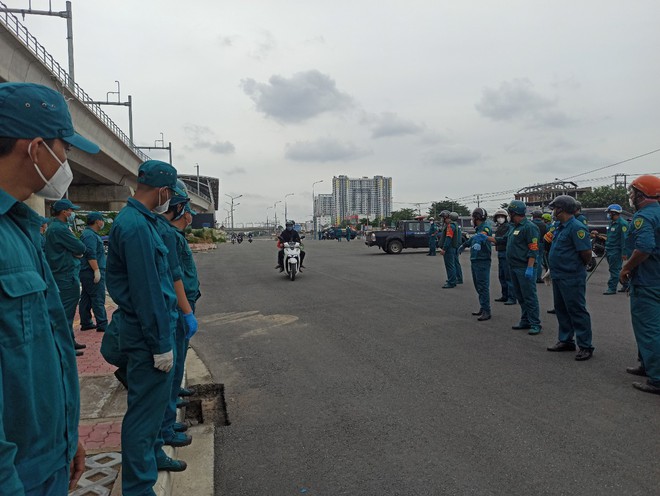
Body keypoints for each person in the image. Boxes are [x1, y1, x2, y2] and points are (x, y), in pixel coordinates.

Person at [0, 81, 99, 494]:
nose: (65, 162)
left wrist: (66, 433)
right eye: (66, 149)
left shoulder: (21, 229)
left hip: (46, 459)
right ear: (36, 147)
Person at [103, 160, 185, 495]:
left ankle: (152, 457)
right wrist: (161, 343)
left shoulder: (141, 220)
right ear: (164, 191)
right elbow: (148, 291)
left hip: (146, 329)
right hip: (145, 333)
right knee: (142, 416)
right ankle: (138, 488)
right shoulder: (136, 226)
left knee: (150, 413)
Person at [618, 175, 660, 394]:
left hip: (647, 281)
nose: (631, 197)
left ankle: (657, 379)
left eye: (633, 193)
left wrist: (626, 268)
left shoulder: (643, 217)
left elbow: (644, 247)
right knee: (652, 328)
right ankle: (646, 365)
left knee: (648, 329)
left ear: (642, 195)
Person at [545, 195, 594, 361]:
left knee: (576, 310)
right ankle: (566, 340)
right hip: (559, 275)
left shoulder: (577, 227)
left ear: (562, 209)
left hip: (571, 275)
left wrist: (577, 266)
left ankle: (586, 346)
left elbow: (586, 253)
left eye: (554, 208)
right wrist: (552, 268)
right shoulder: (560, 227)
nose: (553, 212)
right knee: (561, 309)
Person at [45, 197, 87, 355]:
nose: (72, 213)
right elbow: (80, 246)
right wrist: (76, 251)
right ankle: (65, 347)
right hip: (65, 276)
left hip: (64, 274)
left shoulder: (55, 227)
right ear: (64, 212)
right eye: (71, 210)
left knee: (66, 313)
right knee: (65, 314)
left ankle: (69, 341)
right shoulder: (60, 229)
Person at [503, 200, 542, 335]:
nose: (508, 215)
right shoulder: (514, 227)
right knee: (520, 296)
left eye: (509, 213)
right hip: (513, 266)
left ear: (514, 213)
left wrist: (530, 267)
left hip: (524, 267)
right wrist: (486, 238)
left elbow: (533, 248)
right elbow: (504, 240)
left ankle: (535, 323)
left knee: (529, 296)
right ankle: (525, 320)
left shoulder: (529, 227)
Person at [460, 208, 492, 320]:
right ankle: (483, 307)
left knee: (483, 286)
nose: (472, 220)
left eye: (473, 218)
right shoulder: (478, 228)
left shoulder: (485, 227)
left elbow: (482, 236)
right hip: (475, 260)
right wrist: (464, 245)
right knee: (478, 286)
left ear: (477, 218)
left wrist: (478, 241)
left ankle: (487, 311)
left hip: (482, 260)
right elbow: (474, 238)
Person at [79, 212, 108, 333]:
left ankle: (86, 322)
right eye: (102, 220)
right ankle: (102, 323)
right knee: (98, 298)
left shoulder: (88, 234)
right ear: (97, 221)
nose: (103, 223)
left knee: (86, 297)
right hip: (91, 271)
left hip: (86, 271)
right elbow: (91, 254)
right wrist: (96, 270)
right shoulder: (90, 236)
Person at [597, 204, 629, 295]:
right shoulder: (612, 223)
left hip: (616, 251)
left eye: (609, 213)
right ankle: (626, 284)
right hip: (609, 250)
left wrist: (624, 252)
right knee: (616, 270)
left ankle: (612, 288)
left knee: (614, 270)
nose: (608, 214)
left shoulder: (622, 224)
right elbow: (611, 237)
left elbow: (624, 239)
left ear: (614, 213)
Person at [491, 209, 516, 305]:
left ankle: (512, 297)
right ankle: (505, 295)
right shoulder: (499, 227)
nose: (500, 218)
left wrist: (493, 239)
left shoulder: (509, 227)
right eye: (498, 217)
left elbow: (504, 239)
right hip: (500, 252)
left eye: (502, 217)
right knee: (501, 275)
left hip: (506, 252)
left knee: (508, 276)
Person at [439, 210, 459, 288]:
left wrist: (444, 249)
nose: (442, 219)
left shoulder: (450, 226)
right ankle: (452, 279)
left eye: (443, 217)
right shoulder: (453, 225)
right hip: (451, 248)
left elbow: (448, 238)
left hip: (449, 249)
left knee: (450, 265)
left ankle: (451, 282)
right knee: (451, 265)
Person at [531, 210, 547, 283]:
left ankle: (533, 277)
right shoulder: (544, 225)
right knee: (539, 260)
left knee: (532, 259)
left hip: (532, 243)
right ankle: (538, 277)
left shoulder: (531, 224)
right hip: (541, 243)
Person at [450, 212, 464, 284]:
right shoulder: (457, 225)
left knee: (455, 262)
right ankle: (458, 277)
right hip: (457, 245)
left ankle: (459, 278)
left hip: (455, 246)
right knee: (455, 262)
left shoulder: (453, 226)